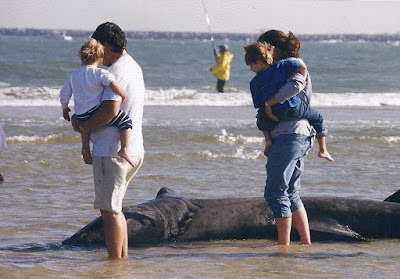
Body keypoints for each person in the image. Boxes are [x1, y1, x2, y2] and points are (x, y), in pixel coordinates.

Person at [72, 22, 145, 259]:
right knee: (115, 209)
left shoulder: (115, 72)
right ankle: (121, 259)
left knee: (109, 211)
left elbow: (110, 111)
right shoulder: (133, 66)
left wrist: (82, 125)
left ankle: (115, 264)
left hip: (111, 151)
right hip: (131, 147)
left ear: (105, 46)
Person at [258, 30, 321, 245]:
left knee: (275, 193)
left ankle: (283, 247)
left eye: (266, 50)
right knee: (291, 192)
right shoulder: (284, 67)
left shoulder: (293, 64)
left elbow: (297, 84)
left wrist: (270, 102)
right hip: (299, 135)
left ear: (274, 49)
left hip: (291, 134)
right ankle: (305, 243)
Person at [243, 42, 333, 162]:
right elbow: (301, 66)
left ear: (259, 62)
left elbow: (258, 103)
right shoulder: (282, 66)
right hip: (292, 107)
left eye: (251, 65)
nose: (251, 69)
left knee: (261, 119)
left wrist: (266, 108)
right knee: (317, 117)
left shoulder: (254, 82)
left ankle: (268, 140)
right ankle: (323, 149)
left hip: (274, 113)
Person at [60, 38, 134, 166]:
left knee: (85, 127)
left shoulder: (74, 75)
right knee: (125, 121)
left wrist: (65, 108)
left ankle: (85, 149)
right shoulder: (100, 73)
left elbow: (64, 93)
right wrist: (123, 94)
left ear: (81, 58)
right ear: (100, 59)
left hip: (81, 114)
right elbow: (112, 83)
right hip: (94, 112)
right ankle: (124, 150)